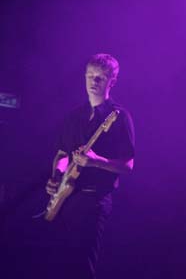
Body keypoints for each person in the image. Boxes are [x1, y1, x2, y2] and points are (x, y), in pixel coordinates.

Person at [44, 53, 135, 279]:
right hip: (66, 199)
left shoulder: (119, 117)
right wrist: (55, 178)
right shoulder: (74, 116)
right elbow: (62, 154)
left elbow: (128, 165)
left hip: (93, 201)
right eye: (90, 76)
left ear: (111, 82)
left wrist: (97, 162)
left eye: (100, 78)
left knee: (81, 268)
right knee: (58, 266)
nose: (93, 82)